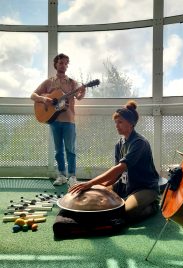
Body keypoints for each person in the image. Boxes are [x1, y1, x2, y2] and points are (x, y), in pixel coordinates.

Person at [69, 100, 160, 224]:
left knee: (127, 212)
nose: (117, 125)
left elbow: (120, 168)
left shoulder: (140, 143)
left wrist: (90, 182)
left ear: (131, 124)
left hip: (144, 188)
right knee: (95, 192)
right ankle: (125, 198)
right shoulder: (119, 144)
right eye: (116, 122)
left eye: (120, 122)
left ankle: (153, 205)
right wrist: (99, 186)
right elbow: (116, 175)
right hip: (124, 186)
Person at [31, 53, 85, 187]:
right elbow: (33, 95)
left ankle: (72, 176)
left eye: (66, 63)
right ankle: (61, 175)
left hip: (69, 120)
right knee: (58, 150)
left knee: (70, 149)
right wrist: (45, 99)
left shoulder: (72, 83)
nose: (64, 65)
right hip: (54, 120)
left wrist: (83, 90)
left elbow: (79, 97)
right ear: (56, 64)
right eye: (61, 62)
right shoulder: (49, 82)